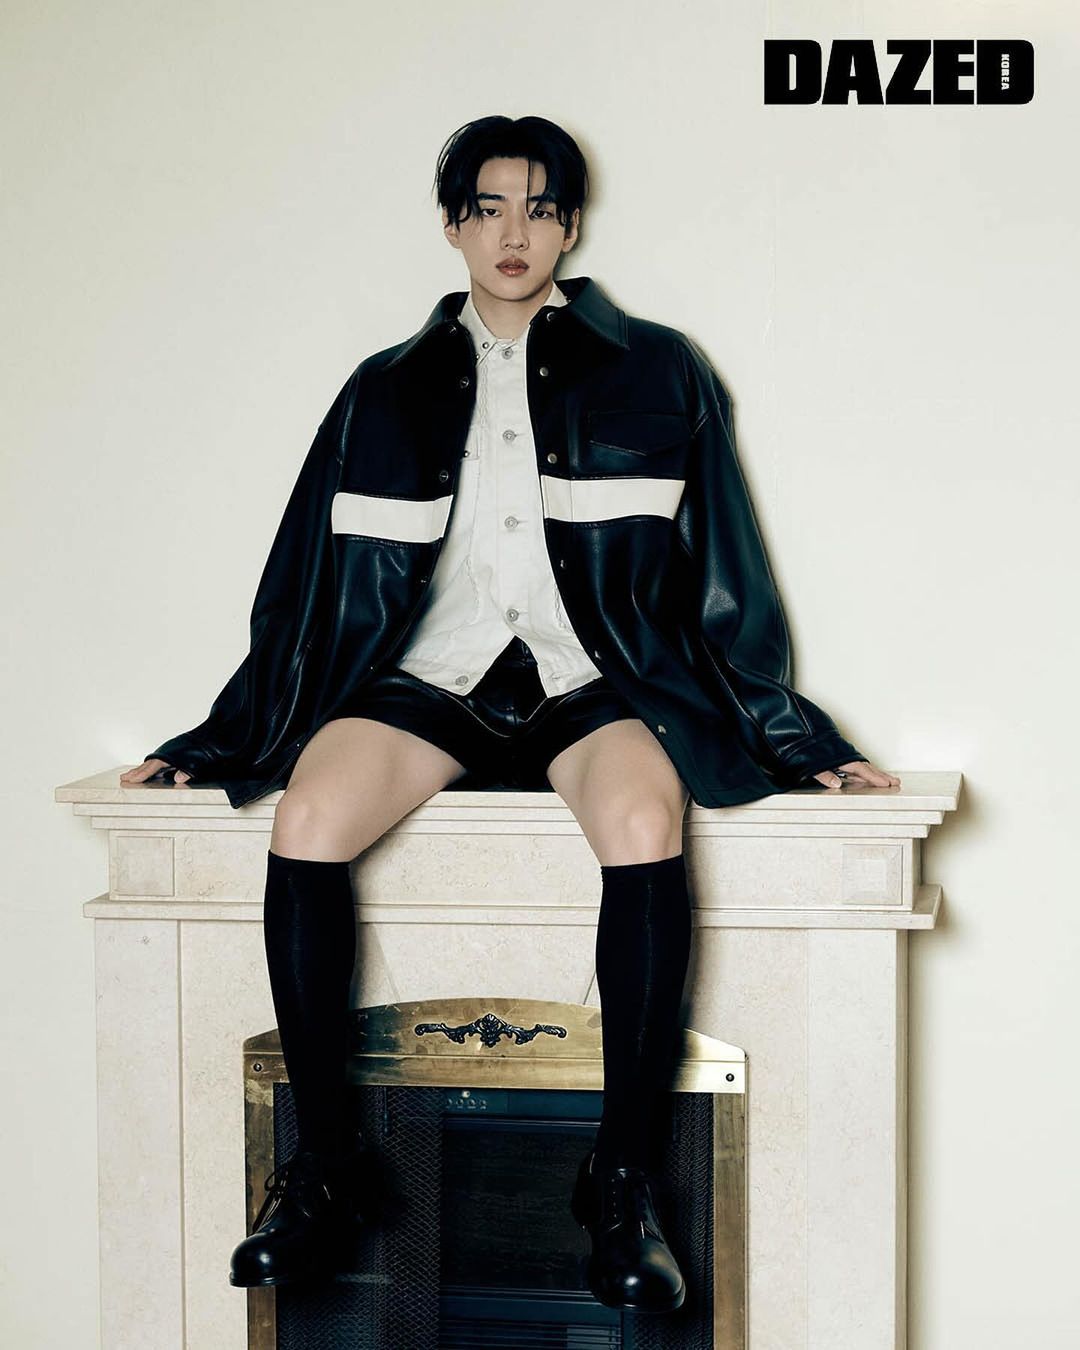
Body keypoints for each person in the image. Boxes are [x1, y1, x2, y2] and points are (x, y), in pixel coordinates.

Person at [121, 115, 899, 1313]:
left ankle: (622, 1180)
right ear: (453, 226)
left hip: (594, 681)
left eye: (539, 207)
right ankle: (322, 1166)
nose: (514, 232)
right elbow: (304, 587)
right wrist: (218, 742)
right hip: (431, 681)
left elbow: (723, 568)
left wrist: (798, 739)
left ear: (571, 225)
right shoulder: (380, 390)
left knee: (645, 820)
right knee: (308, 818)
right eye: (488, 207)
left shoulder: (659, 369)